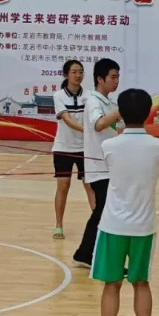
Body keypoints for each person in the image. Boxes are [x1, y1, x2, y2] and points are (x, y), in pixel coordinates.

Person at [86, 89, 159, 316]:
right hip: (143, 228)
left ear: (120, 114)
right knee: (141, 283)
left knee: (111, 284)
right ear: (149, 113)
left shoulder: (109, 146)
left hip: (113, 226)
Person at [72, 58, 121, 267]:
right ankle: (88, 254)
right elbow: (99, 124)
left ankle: (85, 253)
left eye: (118, 77)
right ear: (100, 79)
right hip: (99, 167)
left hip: (109, 166)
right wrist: (120, 110)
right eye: (113, 77)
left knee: (102, 211)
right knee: (103, 211)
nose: (116, 81)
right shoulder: (93, 101)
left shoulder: (109, 102)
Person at [52, 60, 95, 239]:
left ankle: (98, 225)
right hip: (63, 148)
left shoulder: (91, 95)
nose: (78, 75)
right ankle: (58, 225)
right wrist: (88, 130)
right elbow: (67, 119)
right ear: (66, 74)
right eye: (74, 72)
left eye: (81, 72)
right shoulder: (59, 96)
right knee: (63, 186)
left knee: (90, 186)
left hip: (86, 148)